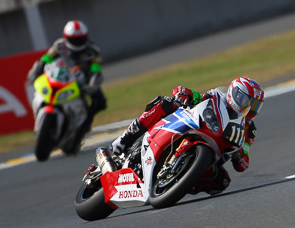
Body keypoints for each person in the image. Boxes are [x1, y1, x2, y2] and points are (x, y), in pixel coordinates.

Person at [111, 77, 263, 196]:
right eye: (248, 101)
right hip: (196, 128)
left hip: (214, 155)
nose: (250, 108)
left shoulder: (249, 130)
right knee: (165, 103)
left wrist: (239, 156)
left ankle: (180, 182)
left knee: (222, 182)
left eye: (255, 105)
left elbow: (244, 164)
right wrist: (182, 93)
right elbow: (192, 94)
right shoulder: (216, 96)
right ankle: (125, 140)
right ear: (235, 93)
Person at [27, 20, 107, 130]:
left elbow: (96, 69)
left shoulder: (93, 50)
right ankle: (41, 118)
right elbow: (45, 59)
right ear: (66, 37)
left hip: (83, 81)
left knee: (100, 102)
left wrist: (92, 83)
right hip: (60, 76)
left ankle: (84, 125)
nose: (77, 41)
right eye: (74, 39)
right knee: (41, 92)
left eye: (80, 38)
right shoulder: (59, 45)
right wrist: (36, 70)